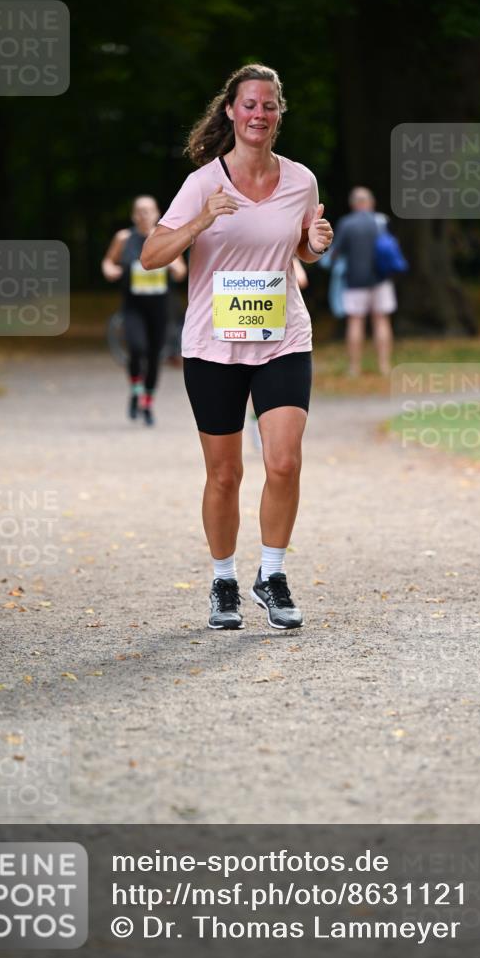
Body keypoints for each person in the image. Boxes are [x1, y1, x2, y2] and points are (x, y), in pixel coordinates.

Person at [141, 64, 333, 629]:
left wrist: (315, 244)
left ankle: (271, 574)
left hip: (282, 337)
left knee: (284, 461)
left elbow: (302, 247)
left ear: (279, 113)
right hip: (213, 342)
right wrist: (201, 220)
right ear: (231, 111)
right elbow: (153, 256)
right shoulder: (204, 183)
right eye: (249, 104)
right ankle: (223, 580)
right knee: (225, 475)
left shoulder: (302, 180)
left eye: (269, 106)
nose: (258, 114)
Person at [102, 195, 186, 424]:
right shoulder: (124, 238)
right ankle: (136, 392)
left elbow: (180, 272)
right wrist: (110, 270)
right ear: (133, 215)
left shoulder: (166, 238)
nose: (144, 215)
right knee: (137, 349)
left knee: (154, 356)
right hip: (133, 307)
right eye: (139, 211)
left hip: (160, 309)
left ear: (157, 214)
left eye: (148, 210)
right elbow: (108, 261)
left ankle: (147, 403)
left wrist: (169, 261)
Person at [330, 187, 396, 377]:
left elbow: (335, 253)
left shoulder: (346, 224)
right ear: (371, 202)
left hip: (354, 281)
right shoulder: (381, 221)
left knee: (355, 322)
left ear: (353, 204)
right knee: (382, 320)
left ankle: (354, 368)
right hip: (381, 279)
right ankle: (384, 366)